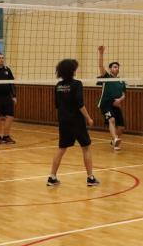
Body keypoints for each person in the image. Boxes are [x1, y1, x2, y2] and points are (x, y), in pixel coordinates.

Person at [47, 59, 99, 187]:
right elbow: (80, 104)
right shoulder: (77, 84)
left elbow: (57, 105)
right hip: (76, 121)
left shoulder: (58, 86)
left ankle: (52, 177)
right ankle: (90, 178)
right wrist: (88, 118)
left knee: (61, 148)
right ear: (72, 70)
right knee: (86, 147)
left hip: (63, 121)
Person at [97, 46, 126, 151]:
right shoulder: (106, 76)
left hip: (116, 104)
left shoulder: (121, 81)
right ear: (110, 69)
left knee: (121, 127)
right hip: (105, 103)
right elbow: (100, 66)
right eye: (114, 67)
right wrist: (101, 53)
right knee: (112, 119)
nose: (116, 68)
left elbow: (123, 94)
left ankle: (114, 140)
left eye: (117, 67)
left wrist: (120, 100)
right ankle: (115, 139)